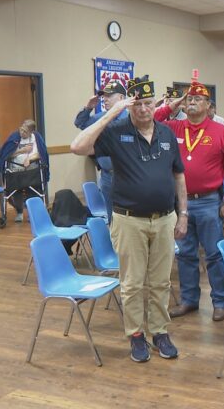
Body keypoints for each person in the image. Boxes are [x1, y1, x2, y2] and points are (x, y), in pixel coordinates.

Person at [70, 75, 187, 363]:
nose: (144, 109)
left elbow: (179, 175)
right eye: (137, 104)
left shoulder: (167, 133)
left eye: (148, 103)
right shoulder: (116, 132)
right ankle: (136, 335)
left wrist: (183, 214)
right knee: (133, 283)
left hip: (164, 219)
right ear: (129, 105)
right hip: (129, 220)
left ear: (155, 103)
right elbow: (77, 146)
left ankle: (159, 332)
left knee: (161, 282)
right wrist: (112, 112)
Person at [153, 81, 224, 322]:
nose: (192, 103)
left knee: (213, 254)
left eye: (197, 99)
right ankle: (189, 300)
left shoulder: (219, 131)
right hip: (180, 204)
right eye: (188, 99)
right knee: (185, 254)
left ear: (208, 105)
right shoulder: (174, 128)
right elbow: (152, 121)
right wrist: (172, 105)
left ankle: (220, 302)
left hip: (209, 203)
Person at [73, 79, 129, 220]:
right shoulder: (101, 117)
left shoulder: (131, 118)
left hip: (127, 175)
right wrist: (88, 108)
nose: (105, 99)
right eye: (103, 96)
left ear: (122, 98)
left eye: (109, 96)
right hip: (107, 176)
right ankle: (113, 240)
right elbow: (80, 123)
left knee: (127, 215)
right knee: (111, 216)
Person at [0, 119, 49, 222]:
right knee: (16, 191)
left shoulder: (36, 138)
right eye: (21, 129)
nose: (21, 132)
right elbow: (6, 155)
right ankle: (19, 212)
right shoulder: (14, 137)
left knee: (34, 190)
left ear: (31, 132)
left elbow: (41, 153)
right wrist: (22, 150)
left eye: (25, 131)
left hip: (32, 171)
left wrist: (29, 158)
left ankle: (32, 213)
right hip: (15, 170)